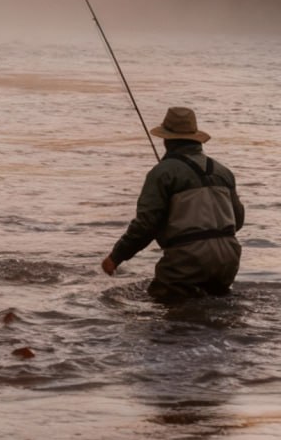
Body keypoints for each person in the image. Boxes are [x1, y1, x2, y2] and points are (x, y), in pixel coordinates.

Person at [101, 106, 244, 299]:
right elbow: (239, 220)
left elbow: (145, 225)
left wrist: (115, 257)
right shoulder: (223, 171)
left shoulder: (162, 173)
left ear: (166, 140)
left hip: (187, 261)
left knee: (163, 306)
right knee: (214, 314)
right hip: (229, 259)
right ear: (195, 138)